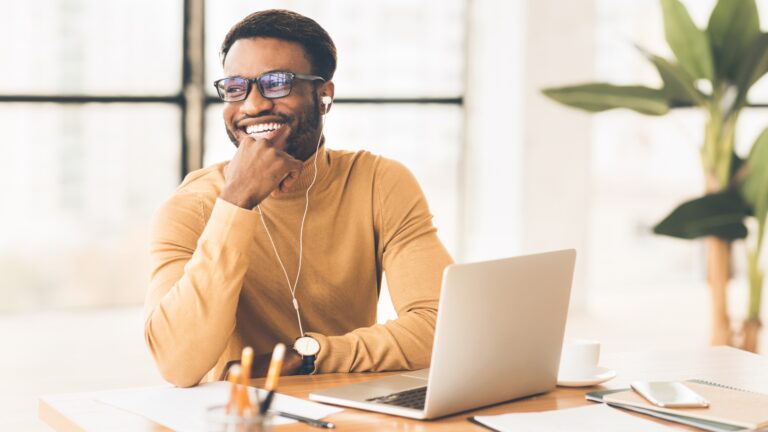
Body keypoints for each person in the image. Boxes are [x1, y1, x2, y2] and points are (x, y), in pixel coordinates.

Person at [144, 9, 453, 387]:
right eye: (236, 87)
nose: (253, 105)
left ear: (324, 94)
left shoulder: (378, 182)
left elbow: (442, 327)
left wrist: (308, 357)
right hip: (240, 417)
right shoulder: (190, 207)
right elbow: (177, 364)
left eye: (277, 83)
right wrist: (236, 201)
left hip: (350, 413)